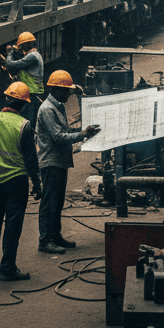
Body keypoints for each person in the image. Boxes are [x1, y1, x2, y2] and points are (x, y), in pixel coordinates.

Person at [0, 82, 42, 281]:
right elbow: (31, 160)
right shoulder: (24, 125)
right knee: (12, 225)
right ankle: (7, 268)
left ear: (6, 99)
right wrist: (37, 184)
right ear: (24, 105)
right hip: (17, 182)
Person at [35, 71, 100, 255]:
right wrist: (82, 134)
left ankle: (55, 236)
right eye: (66, 91)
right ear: (55, 90)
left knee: (57, 202)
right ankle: (45, 240)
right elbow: (57, 136)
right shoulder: (48, 109)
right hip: (51, 162)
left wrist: (82, 131)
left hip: (60, 161)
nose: (68, 95)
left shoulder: (58, 106)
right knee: (49, 203)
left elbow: (64, 130)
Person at [6, 31, 44, 120]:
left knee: (28, 118)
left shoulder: (32, 56)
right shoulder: (34, 54)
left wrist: (10, 52)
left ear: (25, 45)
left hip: (33, 92)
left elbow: (10, 64)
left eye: (21, 46)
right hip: (33, 91)